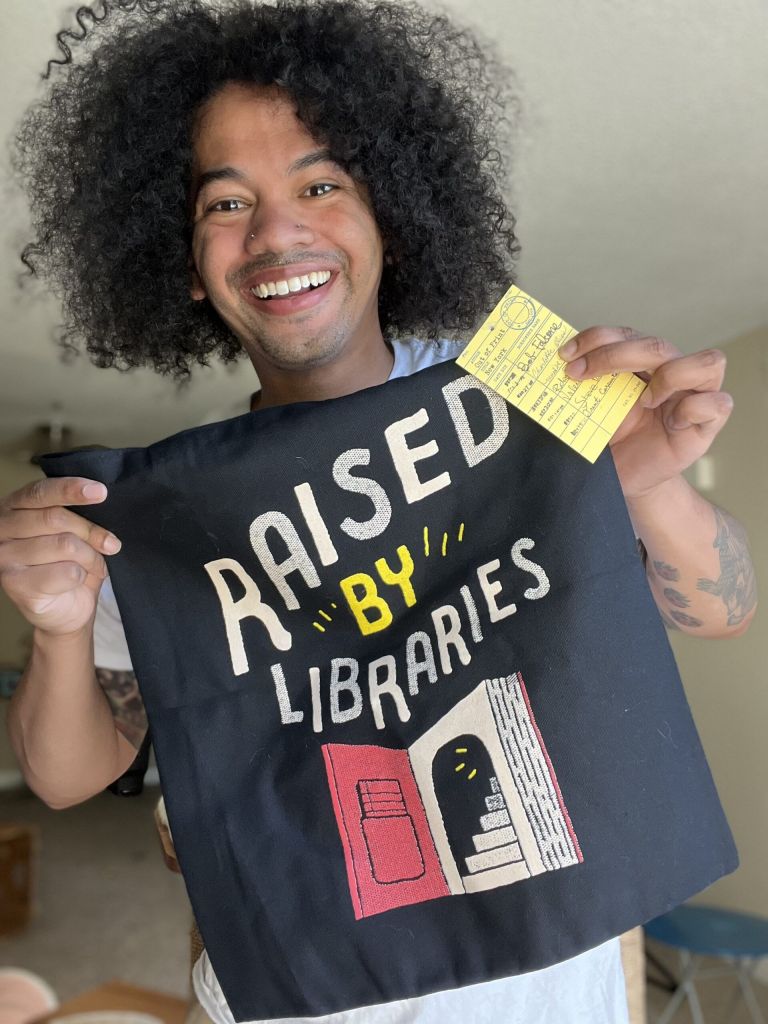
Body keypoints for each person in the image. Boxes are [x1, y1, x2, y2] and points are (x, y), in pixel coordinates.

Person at [1, 2, 756, 1022]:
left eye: (321, 185)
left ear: (387, 221)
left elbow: (725, 608)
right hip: (296, 990)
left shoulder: (524, 396)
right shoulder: (169, 514)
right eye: (227, 203)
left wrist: (649, 482)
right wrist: (56, 629)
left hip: (541, 984)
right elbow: (64, 779)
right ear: (187, 266)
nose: (277, 231)